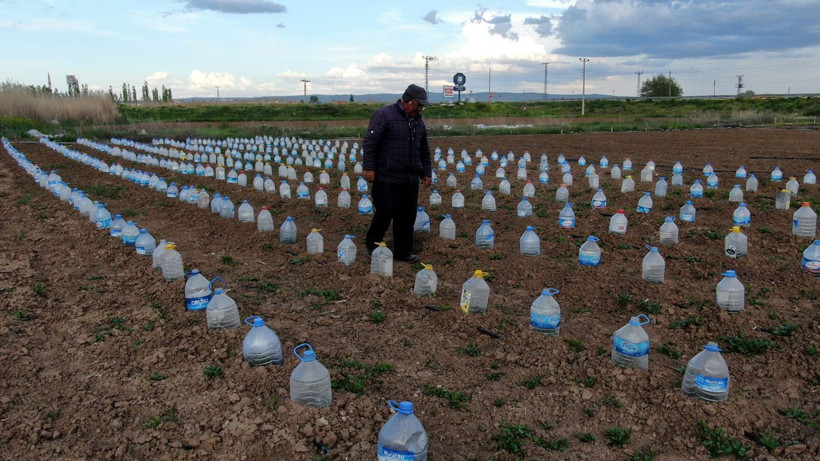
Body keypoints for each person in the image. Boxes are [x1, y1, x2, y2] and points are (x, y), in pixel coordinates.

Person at [363, 84, 433, 263]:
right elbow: (370, 143)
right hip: (386, 175)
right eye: (419, 105)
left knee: (407, 215)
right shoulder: (385, 115)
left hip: (410, 177)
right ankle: (373, 246)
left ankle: (403, 252)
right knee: (385, 211)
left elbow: (423, 149)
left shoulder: (418, 122)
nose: (420, 109)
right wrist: (369, 167)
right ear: (409, 101)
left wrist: (426, 172)